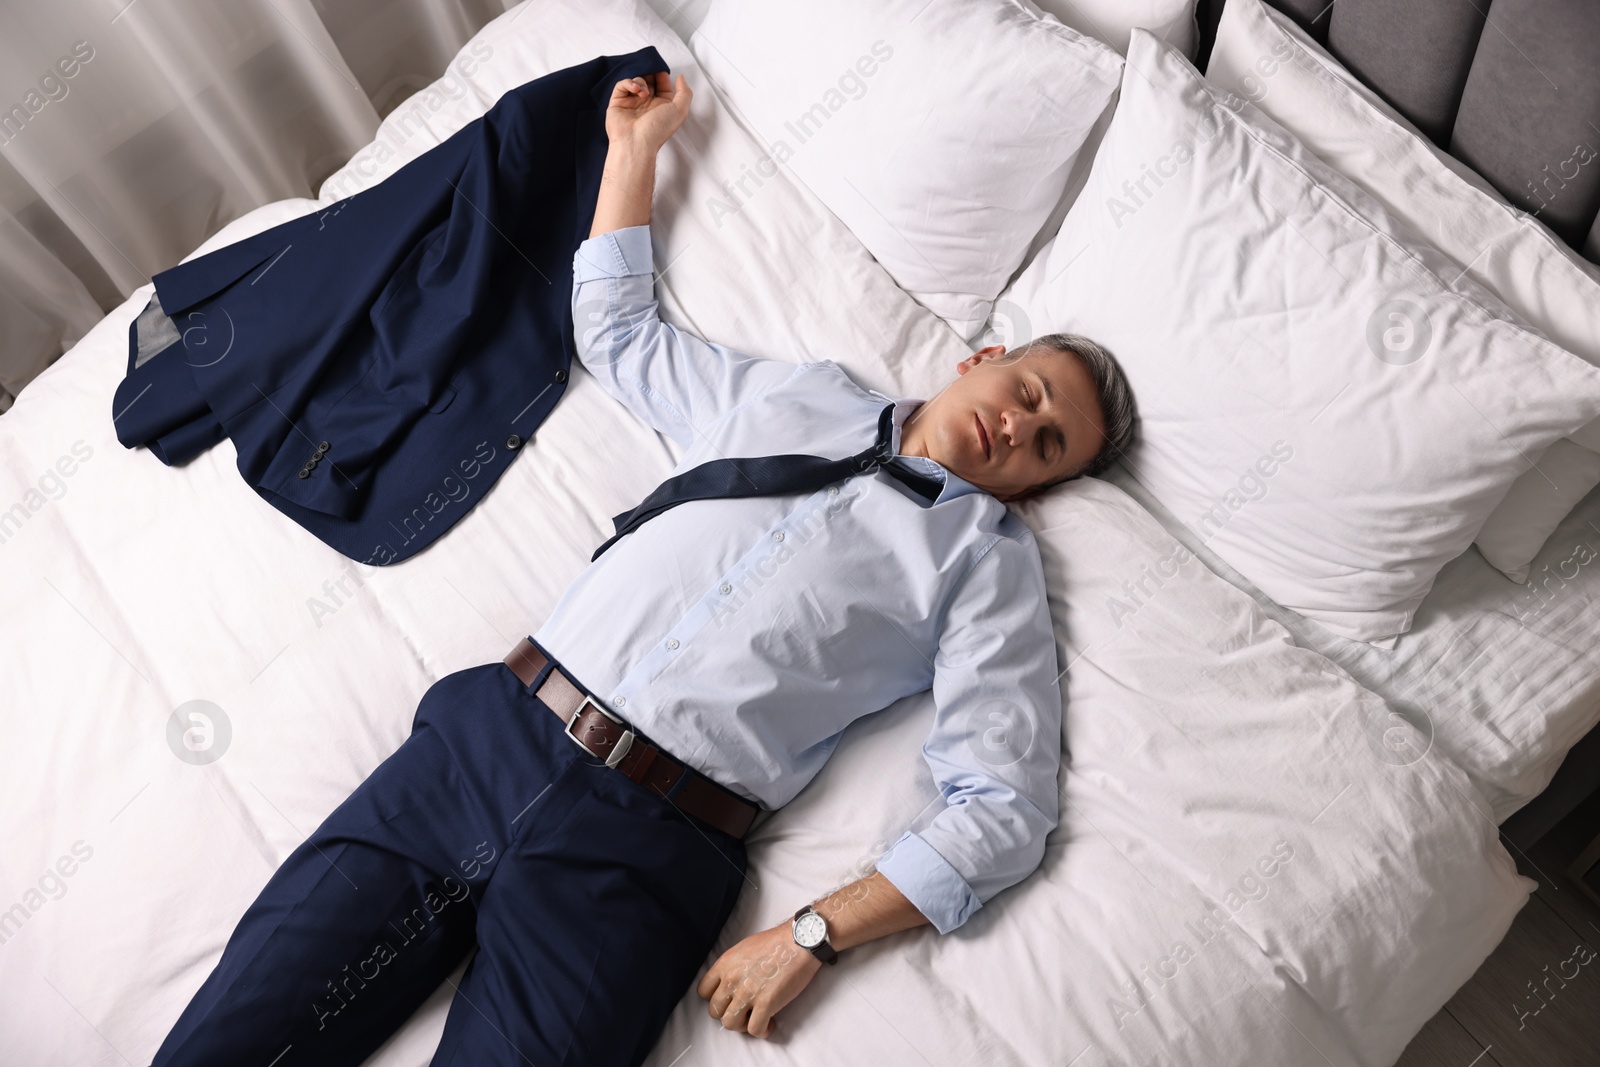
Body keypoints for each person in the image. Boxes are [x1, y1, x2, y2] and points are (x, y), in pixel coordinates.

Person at [148, 71, 1137, 1067]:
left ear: (1035, 487)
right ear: (985, 359)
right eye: (1029, 391)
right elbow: (622, 338)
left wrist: (814, 934)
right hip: (489, 738)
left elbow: (1004, 804)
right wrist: (634, 152)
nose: (1018, 425)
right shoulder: (800, 396)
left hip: (641, 853)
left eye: (1046, 443)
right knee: (239, 1031)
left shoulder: (986, 564)